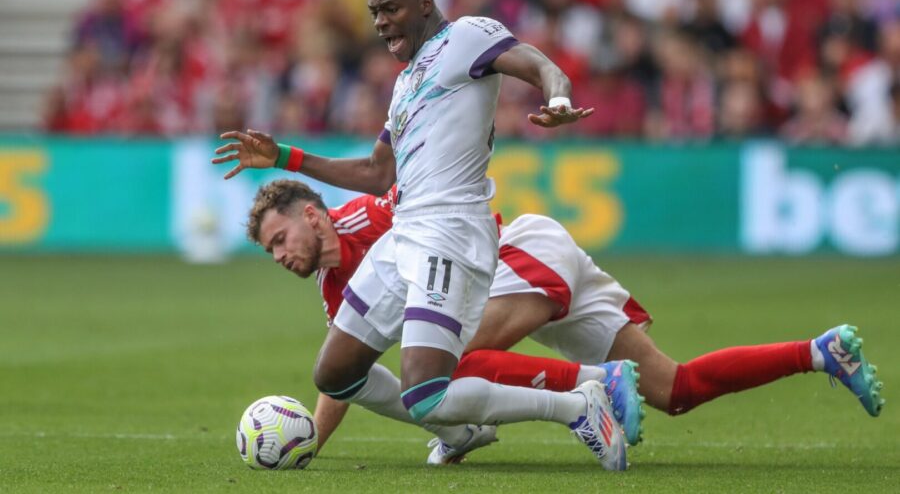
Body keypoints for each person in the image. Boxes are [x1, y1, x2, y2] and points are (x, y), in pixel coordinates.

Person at [212, 0, 633, 470]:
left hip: (450, 231)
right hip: (406, 231)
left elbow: (542, 66)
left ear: (425, 3)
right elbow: (376, 172)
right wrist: (284, 156)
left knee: (425, 392)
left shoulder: (467, 37)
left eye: (390, 8)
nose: (380, 21)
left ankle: (575, 407)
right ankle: (461, 432)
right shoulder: (406, 83)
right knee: (335, 373)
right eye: (374, 12)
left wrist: (559, 99)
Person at [240, 179, 884, 458]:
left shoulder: (369, 216)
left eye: (279, 240)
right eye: (270, 251)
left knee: (442, 370)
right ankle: (820, 352)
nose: (279, 256)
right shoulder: (334, 289)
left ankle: (591, 390)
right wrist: (311, 440)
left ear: (312, 216)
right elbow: (343, 374)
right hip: (529, 278)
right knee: (674, 389)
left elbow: (437, 197)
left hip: (519, 254)